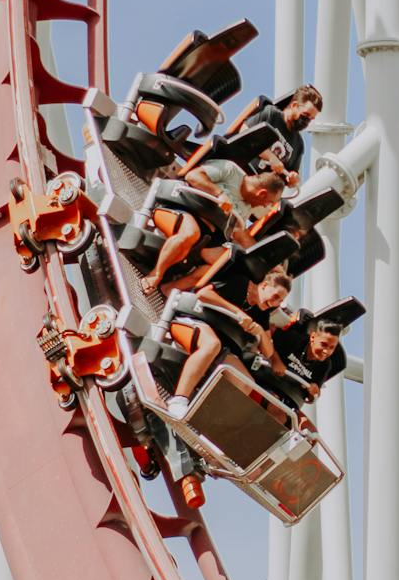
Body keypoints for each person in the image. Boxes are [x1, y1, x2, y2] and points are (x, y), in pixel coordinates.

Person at [140, 152, 292, 295]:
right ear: (262, 194)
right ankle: (156, 274)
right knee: (191, 233)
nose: (265, 207)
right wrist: (219, 193)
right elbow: (193, 176)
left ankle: (169, 289)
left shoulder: (246, 208)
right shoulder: (231, 170)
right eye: (268, 202)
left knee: (223, 265)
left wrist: (267, 264)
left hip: (209, 234)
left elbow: (239, 234)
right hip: (184, 207)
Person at [164, 264, 297, 417]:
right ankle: (179, 400)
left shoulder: (261, 313)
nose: (275, 304)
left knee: (245, 383)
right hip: (192, 322)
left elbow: (268, 352)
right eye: (275, 297)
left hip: (220, 346)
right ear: (265, 285)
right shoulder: (240, 283)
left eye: (280, 301)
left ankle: (202, 415)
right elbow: (203, 294)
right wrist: (237, 312)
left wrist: (260, 331)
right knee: (212, 344)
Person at [270, 298, 364, 416]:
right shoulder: (294, 340)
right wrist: (275, 359)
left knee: (310, 431)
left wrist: (314, 391)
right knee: (277, 411)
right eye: (323, 345)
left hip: (289, 399)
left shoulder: (325, 365)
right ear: (313, 337)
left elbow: (313, 394)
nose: (326, 351)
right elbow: (267, 333)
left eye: (331, 348)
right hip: (270, 385)